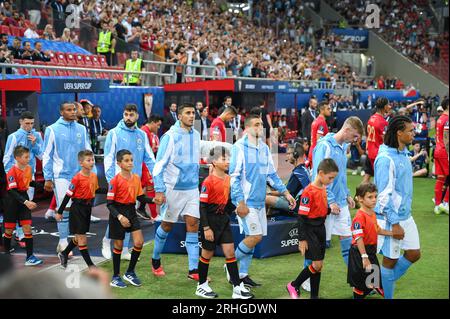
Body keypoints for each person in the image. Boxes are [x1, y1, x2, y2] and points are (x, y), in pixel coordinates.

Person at [229, 114, 296, 287]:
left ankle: (243, 275)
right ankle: (230, 267)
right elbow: (234, 177)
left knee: (252, 238)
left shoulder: (264, 148)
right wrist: (240, 202)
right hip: (246, 202)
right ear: (248, 128)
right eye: (257, 124)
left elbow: (271, 175)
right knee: (255, 236)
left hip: (260, 201)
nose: (261, 127)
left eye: (261, 124)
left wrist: (285, 192)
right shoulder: (239, 147)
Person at [195, 146, 253, 299]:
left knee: (230, 253)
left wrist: (237, 209)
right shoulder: (208, 182)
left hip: (223, 221)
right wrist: (206, 228)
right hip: (210, 223)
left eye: (228, 158)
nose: (227, 162)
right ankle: (201, 286)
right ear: (214, 162)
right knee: (207, 254)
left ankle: (236, 288)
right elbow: (202, 207)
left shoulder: (228, 179)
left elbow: (227, 202)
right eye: (224, 159)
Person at [151, 103, 201, 280]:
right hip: (173, 189)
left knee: (193, 225)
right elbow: (158, 166)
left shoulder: (196, 134)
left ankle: (193, 270)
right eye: (187, 113)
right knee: (167, 225)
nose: (191, 116)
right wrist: (159, 190)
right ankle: (155, 260)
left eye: (193, 113)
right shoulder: (169, 137)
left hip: (192, 189)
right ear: (179, 116)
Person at [101, 104, 156, 261]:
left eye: (131, 115)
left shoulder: (141, 135)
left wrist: (157, 176)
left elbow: (149, 158)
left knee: (129, 214)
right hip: (118, 182)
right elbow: (109, 157)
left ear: (137, 116)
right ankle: (106, 242)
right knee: (118, 215)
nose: (128, 117)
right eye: (126, 114)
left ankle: (124, 249)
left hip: (135, 182)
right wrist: (111, 180)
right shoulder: (114, 133)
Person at [375, 115, 421, 299]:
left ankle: (381, 282)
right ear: (399, 133)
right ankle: (386, 291)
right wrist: (394, 223)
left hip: (406, 216)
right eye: (410, 130)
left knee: (414, 253)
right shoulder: (386, 159)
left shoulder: (403, 153)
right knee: (390, 260)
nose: (413, 133)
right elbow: (383, 197)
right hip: (390, 218)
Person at [43, 102, 95, 255]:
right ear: (61, 112)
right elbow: (47, 155)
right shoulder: (52, 129)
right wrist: (47, 177)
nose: (73, 112)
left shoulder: (81, 128)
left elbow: (88, 149)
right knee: (64, 208)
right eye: (69, 110)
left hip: (81, 175)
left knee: (80, 208)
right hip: (62, 176)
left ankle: (77, 239)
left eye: (74, 109)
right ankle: (62, 242)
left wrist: (91, 168)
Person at [286, 158, 339, 299]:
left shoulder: (323, 189)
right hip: (310, 230)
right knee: (316, 264)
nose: (331, 181)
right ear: (321, 173)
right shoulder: (309, 191)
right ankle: (294, 284)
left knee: (318, 266)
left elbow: (319, 209)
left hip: (321, 229)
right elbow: (302, 217)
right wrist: (302, 239)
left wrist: (329, 210)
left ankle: (314, 296)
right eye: (330, 177)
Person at [312, 117, 364, 260]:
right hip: (324, 204)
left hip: (340, 203)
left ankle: (355, 281)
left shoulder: (342, 147)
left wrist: (346, 194)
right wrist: (330, 200)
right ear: (346, 130)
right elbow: (318, 177)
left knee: (349, 245)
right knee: (318, 249)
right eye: (354, 136)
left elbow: (340, 176)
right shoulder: (325, 146)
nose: (355, 140)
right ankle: (306, 282)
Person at [107, 149, 154, 288]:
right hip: (117, 212)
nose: (130, 163)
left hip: (131, 211)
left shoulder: (136, 178)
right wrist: (120, 217)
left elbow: (140, 198)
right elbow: (109, 204)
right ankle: (115, 277)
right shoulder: (114, 181)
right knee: (118, 246)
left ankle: (130, 272)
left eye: (131, 160)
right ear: (119, 163)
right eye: (126, 160)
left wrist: (154, 200)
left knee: (139, 242)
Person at [3, 111, 43, 248]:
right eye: (27, 123)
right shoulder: (13, 137)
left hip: (29, 174)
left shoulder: (36, 135)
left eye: (32, 123)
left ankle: (21, 232)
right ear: (20, 122)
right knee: (17, 203)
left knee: (27, 203)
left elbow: (42, 156)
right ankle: (17, 233)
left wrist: (36, 143)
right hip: (15, 175)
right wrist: (11, 176)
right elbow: (7, 157)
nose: (29, 126)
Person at [56, 150, 102, 269]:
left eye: (92, 160)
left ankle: (64, 253)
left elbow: (96, 190)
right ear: (81, 163)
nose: (91, 162)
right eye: (88, 160)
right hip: (77, 209)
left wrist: (112, 193)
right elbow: (68, 195)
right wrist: (60, 211)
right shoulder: (77, 178)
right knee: (82, 239)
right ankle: (91, 266)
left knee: (78, 237)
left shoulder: (93, 176)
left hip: (87, 208)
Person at [348, 183, 392, 299]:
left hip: (370, 252)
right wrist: (364, 256)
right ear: (360, 199)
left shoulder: (372, 213)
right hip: (359, 252)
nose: (374, 200)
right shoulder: (359, 217)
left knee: (372, 280)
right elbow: (359, 238)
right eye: (370, 197)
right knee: (360, 284)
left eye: (375, 196)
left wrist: (392, 233)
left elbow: (376, 229)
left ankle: (372, 288)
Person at [2, 146, 42, 266]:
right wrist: (26, 202)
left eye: (29, 156)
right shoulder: (11, 172)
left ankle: (30, 257)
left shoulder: (29, 168)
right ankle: (6, 255)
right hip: (11, 201)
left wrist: (43, 186)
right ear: (17, 158)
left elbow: (29, 182)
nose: (28, 159)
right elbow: (12, 191)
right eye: (26, 157)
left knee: (27, 228)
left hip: (23, 198)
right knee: (9, 230)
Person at [265, 142, 310, 215]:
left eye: (289, 154)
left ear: (296, 154)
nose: (287, 156)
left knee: (264, 198)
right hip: (301, 203)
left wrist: (269, 193)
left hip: (296, 205)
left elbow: (286, 192)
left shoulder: (297, 173)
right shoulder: (303, 169)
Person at [137, 115, 162, 220]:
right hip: (143, 164)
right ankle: (154, 215)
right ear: (152, 122)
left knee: (142, 187)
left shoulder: (147, 132)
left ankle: (141, 209)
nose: (159, 128)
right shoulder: (143, 132)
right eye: (158, 125)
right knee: (150, 187)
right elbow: (144, 152)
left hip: (144, 164)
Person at [363, 97, 391, 183]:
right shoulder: (383, 122)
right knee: (380, 181)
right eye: (388, 105)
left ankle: (358, 196)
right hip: (378, 154)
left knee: (366, 179)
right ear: (385, 107)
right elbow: (386, 140)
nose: (390, 107)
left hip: (370, 152)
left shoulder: (371, 118)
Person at [433, 98, 449, 215]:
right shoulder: (447, 119)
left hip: (437, 150)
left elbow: (436, 136)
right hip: (444, 151)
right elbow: (447, 137)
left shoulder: (440, 119)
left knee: (441, 178)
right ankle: (446, 203)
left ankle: (437, 205)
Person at [309, 101, 331, 168]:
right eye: (328, 109)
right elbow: (319, 140)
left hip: (313, 151)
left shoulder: (316, 120)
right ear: (322, 110)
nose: (330, 110)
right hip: (317, 154)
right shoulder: (321, 122)